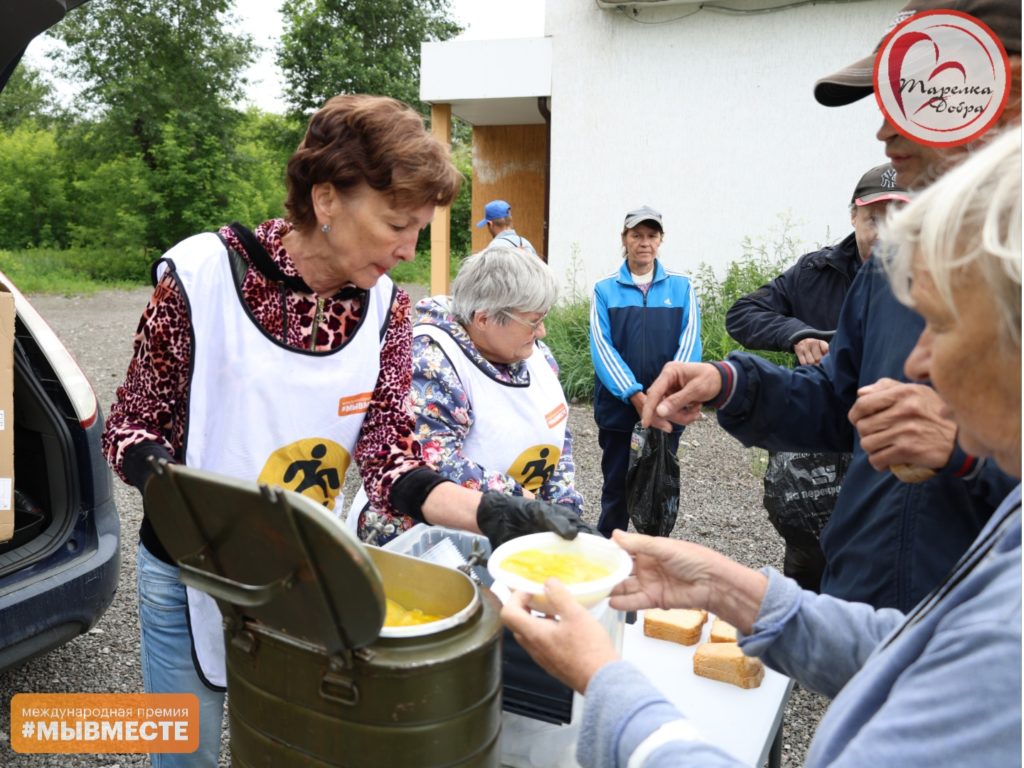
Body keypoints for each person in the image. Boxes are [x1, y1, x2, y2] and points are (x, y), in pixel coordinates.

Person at [503, 125, 1022, 768]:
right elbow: (921, 652)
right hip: (864, 581)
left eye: (942, 325)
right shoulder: (889, 270)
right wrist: (727, 586)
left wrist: (609, 687)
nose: (913, 361)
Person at [101, 95, 589, 767]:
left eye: (419, 227)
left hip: (300, 575)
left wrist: (498, 514)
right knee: (183, 755)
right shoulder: (202, 279)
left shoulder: (386, 310)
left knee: (290, 743)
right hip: (190, 572)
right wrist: (196, 505)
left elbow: (392, 465)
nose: (408, 247)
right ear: (325, 198)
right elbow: (130, 427)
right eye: (396, 223)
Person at [632, 0, 1018, 612]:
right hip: (863, 604)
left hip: (979, 637)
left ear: (1008, 94)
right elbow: (843, 402)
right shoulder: (892, 265)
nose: (884, 131)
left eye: (912, 99)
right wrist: (731, 383)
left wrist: (969, 452)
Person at [724, 164, 909, 591]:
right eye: (873, 219)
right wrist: (796, 334)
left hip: (879, 445)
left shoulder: (930, 280)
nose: (883, 233)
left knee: (876, 561)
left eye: (897, 219)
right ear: (853, 217)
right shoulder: (815, 270)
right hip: (812, 447)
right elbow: (743, 314)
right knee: (808, 558)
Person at [408, 246, 585, 513]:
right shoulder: (430, 362)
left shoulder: (533, 352)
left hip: (518, 520)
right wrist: (530, 506)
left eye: (543, 318)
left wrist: (564, 502)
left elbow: (558, 430)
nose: (543, 332)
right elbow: (436, 463)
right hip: (446, 535)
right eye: (533, 321)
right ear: (484, 319)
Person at [589, 205, 701, 537]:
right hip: (620, 412)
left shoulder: (681, 287)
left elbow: (690, 343)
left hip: (667, 410)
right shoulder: (604, 289)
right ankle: (610, 559)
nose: (644, 242)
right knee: (616, 491)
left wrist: (663, 396)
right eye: (636, 235)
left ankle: (653, 561)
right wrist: (635, 395)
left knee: (658, 490)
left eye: (651, 236)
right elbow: (602, 348)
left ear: (660, 240)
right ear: (624, 239)